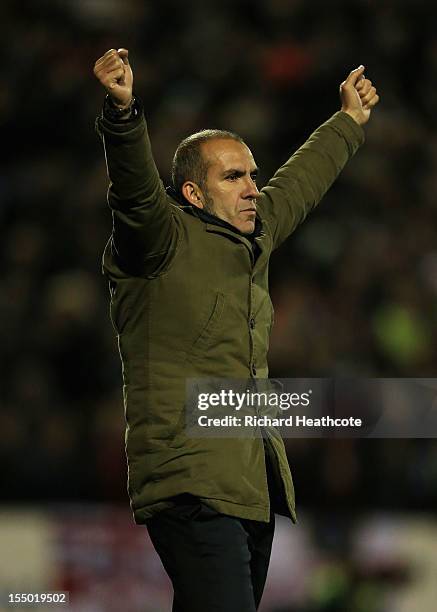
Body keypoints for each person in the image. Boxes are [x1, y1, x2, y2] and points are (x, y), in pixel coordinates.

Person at [93, 48, 379, 611]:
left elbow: (298, 184)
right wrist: (123, 116)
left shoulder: (251, 240)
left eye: (252, 174)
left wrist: (347, 122)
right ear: (194, 194)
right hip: (189, 479)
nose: (252, 187)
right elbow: (133, 192)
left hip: (249, 484)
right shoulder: (159, 241)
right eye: (234, 177)